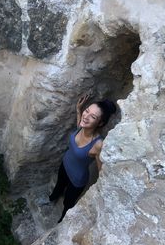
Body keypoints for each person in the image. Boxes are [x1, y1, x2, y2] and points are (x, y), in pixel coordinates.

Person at [49, 95, 116, 223]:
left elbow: (101, 172)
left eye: (93, 116)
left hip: (77, 180)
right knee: (58, 186)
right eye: (87, 111)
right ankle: (52, 198)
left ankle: (63, 218)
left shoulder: (98, 144)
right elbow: (80, 122)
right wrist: (79, 109)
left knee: (68, 201)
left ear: (100, 123)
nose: (86, 116)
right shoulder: (81, 126)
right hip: (65, 164)